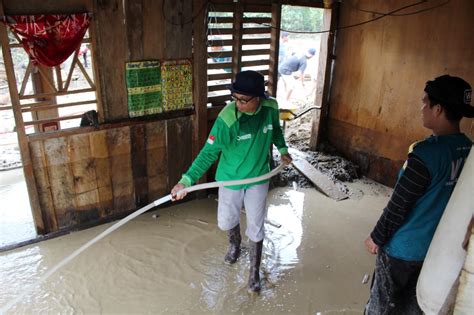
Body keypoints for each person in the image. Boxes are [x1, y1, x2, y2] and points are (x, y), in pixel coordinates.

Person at [171, 70, 292, 293]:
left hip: (258, 177)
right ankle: (235, 245)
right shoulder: (227, 119)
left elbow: (275, 130)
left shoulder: (270, 108)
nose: (237, 104)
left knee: (257, 226)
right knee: (227, 221)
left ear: (259, 98)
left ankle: (254, 273)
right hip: (231, 178)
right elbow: (208, 154)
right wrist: (185, 181)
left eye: (243, 100)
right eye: (234, 98)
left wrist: (283, 149)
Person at [364, 75, 473, 314]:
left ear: (438, 109)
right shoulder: (468, 150)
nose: (421, 108)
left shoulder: (425, 155)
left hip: (401, 250)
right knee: (418, 306)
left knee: (383, 307)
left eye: (425, 102)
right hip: (435, 251)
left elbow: (399, 204)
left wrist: (376, 237)